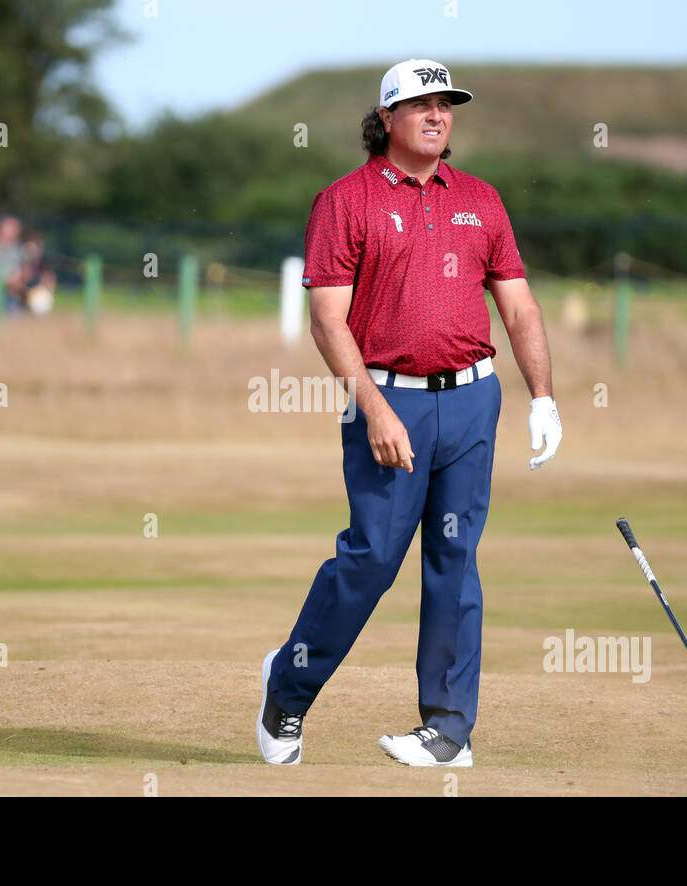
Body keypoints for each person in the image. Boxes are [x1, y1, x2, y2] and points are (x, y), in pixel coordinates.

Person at [257, 59, 562, 767]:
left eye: (446, 105)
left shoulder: (481, 199)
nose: (437, 115)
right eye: (420, 104)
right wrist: (373, 409)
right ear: (386, 118)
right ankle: (289, 686)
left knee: (455, 561)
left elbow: (519, 305)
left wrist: (542, 396)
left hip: (473, 399)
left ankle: (449, 728)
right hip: (389, 399)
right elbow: (329, 323)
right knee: (370, 560)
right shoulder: (345, 200)